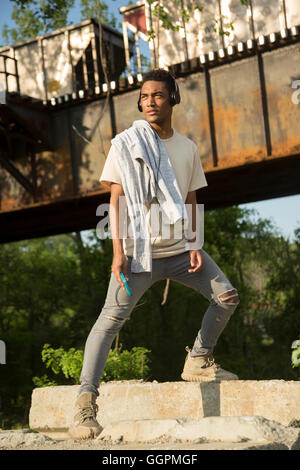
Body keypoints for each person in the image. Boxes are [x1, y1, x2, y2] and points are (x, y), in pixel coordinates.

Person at [68, 68, 240, 440]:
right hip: (137, 254)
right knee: (109, 321)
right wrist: (117, 251)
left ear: (172, 99)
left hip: (180, 250)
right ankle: (85, 405)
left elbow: (192, 199)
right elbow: (116, 199)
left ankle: (198, 359)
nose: (150, 102)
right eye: (145, 96)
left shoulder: (187, 148)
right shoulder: (126, 144)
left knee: (226, 297)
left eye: (158, 96)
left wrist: (195, 243)